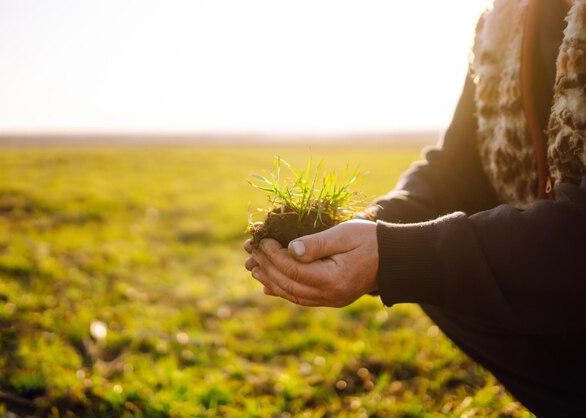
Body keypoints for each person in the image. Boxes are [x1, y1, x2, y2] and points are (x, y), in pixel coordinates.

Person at [243, 0, 586, 416]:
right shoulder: (509, 19)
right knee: (440, 268)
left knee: (440, 261)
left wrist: (396, 254)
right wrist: (372, 226)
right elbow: (457, 168)